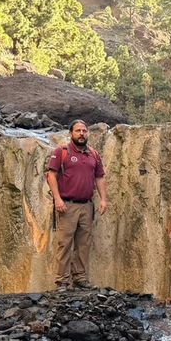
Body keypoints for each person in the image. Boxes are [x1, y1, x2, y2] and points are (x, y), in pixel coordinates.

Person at [46, 120, 108, 288]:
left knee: (83, 244)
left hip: (87, 206)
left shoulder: (93, 154)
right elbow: (51, 175)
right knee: (64, 244)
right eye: (78, 131)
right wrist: (57, 199)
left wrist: (103, 199)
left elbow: (99, 177)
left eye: (84, 130)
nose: (81, 133)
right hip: (67, 205)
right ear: (70, 133)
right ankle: (62, 281)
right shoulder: (62, 152)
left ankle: (80, 278)